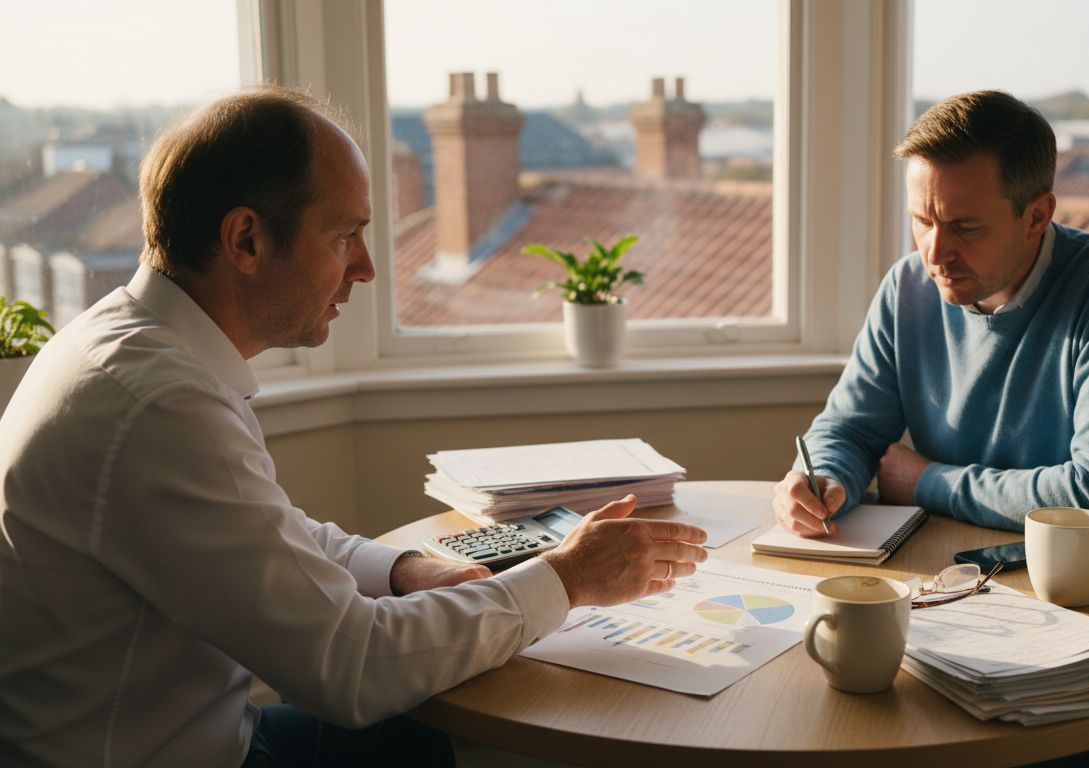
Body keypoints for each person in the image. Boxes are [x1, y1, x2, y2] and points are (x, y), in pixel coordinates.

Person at [0, 87, 707, 767]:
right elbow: (352, 669)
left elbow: (264, 531)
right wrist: (568, 577)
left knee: (449, 741)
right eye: (345, 236)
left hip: (198, 733)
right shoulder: (157, 405)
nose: (365, 269)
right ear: (245, 239)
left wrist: (404, 570)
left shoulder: (130, 347)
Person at [773, 90, 1089, 560]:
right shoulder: (907, 288)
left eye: (965, 228)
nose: (934, 253)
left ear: (1037, 216)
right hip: (957, 568)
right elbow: (848, 431)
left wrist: (927, 481)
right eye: (922, 220)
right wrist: (821, 478)